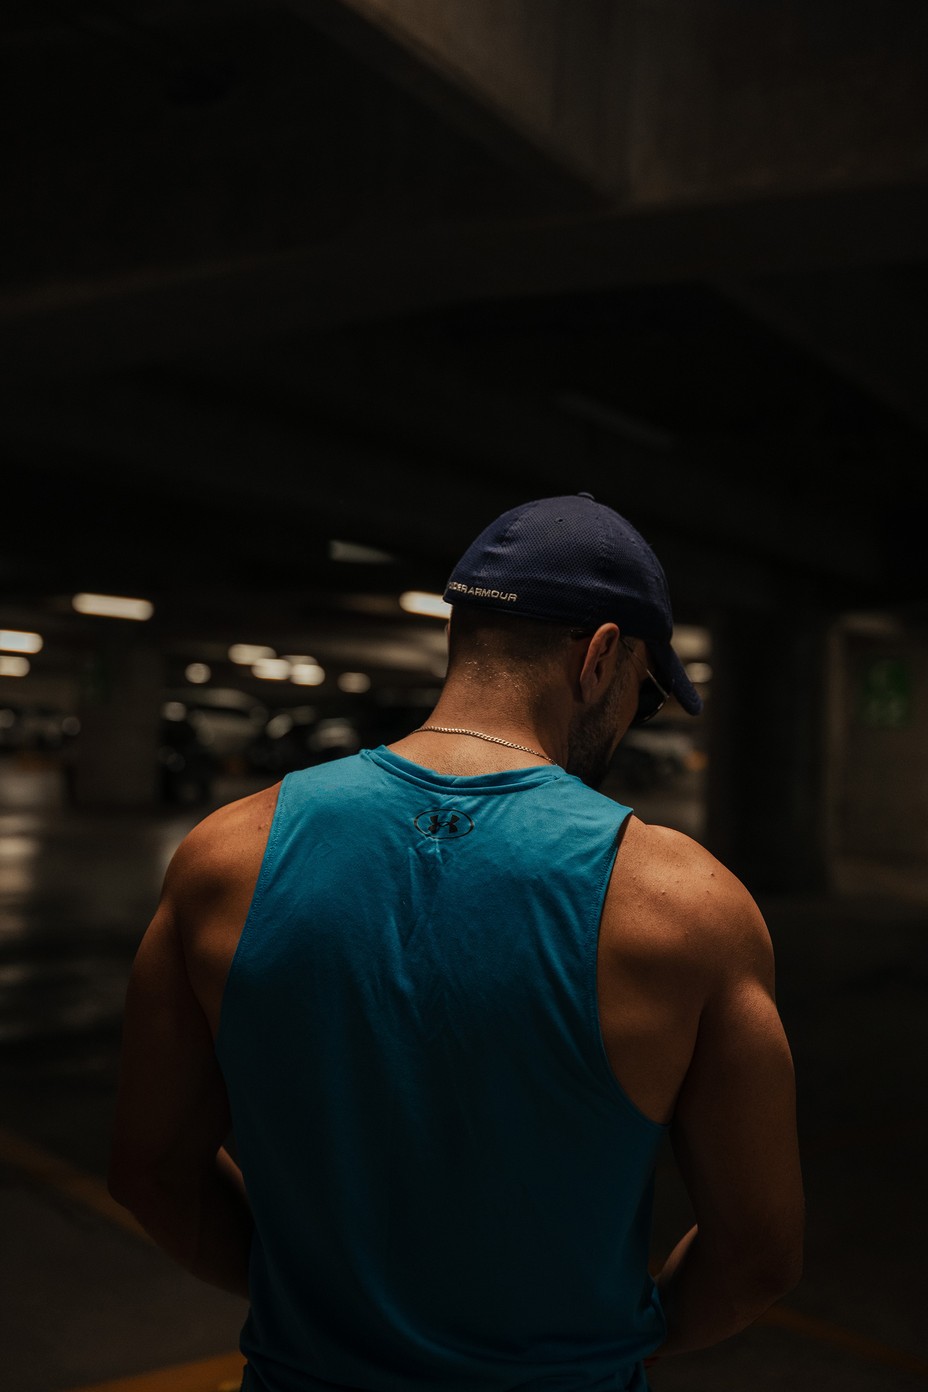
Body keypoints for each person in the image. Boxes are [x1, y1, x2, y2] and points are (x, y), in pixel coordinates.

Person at [109, 493, 803, 1392]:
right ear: (599, 658)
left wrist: (322, 1309)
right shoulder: (688, 906)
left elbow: (151, 1172)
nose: (633, 719)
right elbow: (759, 1254)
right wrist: (612, 1339)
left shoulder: (225, 856)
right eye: (643, 690)